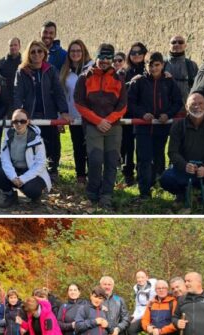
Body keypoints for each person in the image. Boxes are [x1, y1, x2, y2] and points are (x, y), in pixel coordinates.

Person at [74, 43, 128, 211]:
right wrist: (97, 120)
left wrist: (109, 120)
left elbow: (123, 105)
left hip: (113, 126)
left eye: (108, 58)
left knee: (112, 162)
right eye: (102, 57)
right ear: (96, 57)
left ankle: (107, 195)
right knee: (95, 160)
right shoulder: (84, 77)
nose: (105, 61)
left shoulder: (118, 79)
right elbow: (79, 103)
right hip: (93, 125)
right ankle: (92, 194)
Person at [128, 52, 183, 200]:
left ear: (162, 65)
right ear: (145, 65)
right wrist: (142, 114)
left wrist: (168, 114)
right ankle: (144, 192)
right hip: (143, 128)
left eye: (157, 65)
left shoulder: (169, 82)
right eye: (150, 65)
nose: (153, 68)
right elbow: (131, 103)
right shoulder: (138, 82)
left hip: (161, 127)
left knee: (159, 158)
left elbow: (177, 102)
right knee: (144, 159)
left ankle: (157, 185)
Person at [13, 40, 71, 181]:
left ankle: (53, 170)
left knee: (53, 143)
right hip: (30, 114)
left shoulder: (50, 70)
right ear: (28, 54)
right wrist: (18, 113)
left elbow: (58, 92)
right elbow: (17, 93)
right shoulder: (22, 71)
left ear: (44, 53)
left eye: (39, 51)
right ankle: (32, 172)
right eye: (33, 51)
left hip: (49, 114)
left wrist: (63, 111)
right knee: (31, 144)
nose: (36, 54)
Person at [0, 109, 52, 208]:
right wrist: (13, 177)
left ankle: (35, 200)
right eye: (15, 121)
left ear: (28, 121)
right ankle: (10, 196)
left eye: (22, 121)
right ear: (12, 122)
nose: (19, 124)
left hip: (31, 172)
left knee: (32, 190)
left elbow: (41, 163)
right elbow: (5, 159)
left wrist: (23, 179)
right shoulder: (8, 135)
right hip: (15, 170)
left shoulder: (37, 138)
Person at [60, 40, 93, 185]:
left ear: (83, 51)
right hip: (74, 116)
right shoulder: (65, 71)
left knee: (92, 147)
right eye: (72, 51)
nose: (75, 53)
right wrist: (62, 115)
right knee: (78, 146)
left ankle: (94, 176)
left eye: (78, 50)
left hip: (91, 115)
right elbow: (63, 94)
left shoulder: (92, 68)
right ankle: (80, 176)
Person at [120, 42, 148, 187]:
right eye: (133, 53)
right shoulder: (123, 72)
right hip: (127, 114)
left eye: (139, 52)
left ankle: (144, 174)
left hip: (144, 115)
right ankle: (128, 174)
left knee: (143, 147)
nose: (136, 55)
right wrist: (130, 83)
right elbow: (118, 90)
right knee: (127, 147)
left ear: (144, 54)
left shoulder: (149, 70)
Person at [127, 270, 157, 335]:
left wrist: (137, 317)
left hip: (152, 317)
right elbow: (139, 305)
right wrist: (134, 316)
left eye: (142, 277)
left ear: (147, 277)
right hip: (141, 315)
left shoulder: (153, 288)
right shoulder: (137, 289)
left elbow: (149, 306)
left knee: (131, 329)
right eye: (138, 277)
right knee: (126, 324)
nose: (140, 279)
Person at [164, 35, 199, 103]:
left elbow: (196, 87)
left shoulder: (192, 65)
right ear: (169, 45)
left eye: (180, 42)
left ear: (185, 45)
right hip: (165, 107)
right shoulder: (161, 64)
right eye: (173, 42)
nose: (177, 44)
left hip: (185, 106)